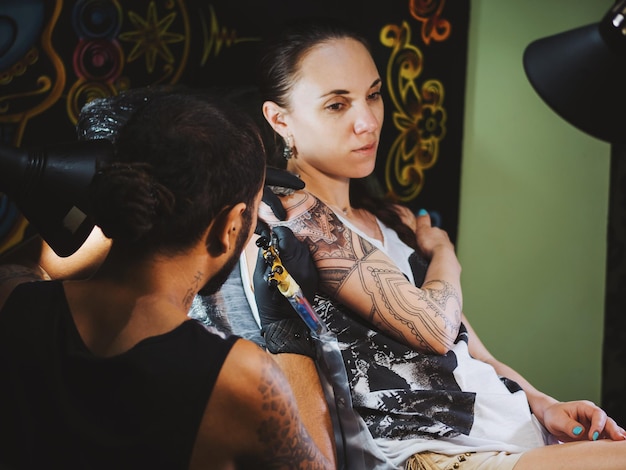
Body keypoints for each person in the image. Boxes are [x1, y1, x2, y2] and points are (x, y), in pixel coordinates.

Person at [252, 16, 626, 470]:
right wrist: (445, 255)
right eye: (337, 105)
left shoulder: (394, 219)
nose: (367, 122)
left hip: (512, 430)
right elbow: (431, 326)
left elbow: (471, 350)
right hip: (437, 452)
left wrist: (543, 403)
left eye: (373, 95)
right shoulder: (295, 218)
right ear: (280, 119)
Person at [0, 91, 334, 469]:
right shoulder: (237, 378)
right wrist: (287, 332)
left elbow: (28, 261)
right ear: (232, 226)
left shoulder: (15, 301)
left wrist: (106, 204)